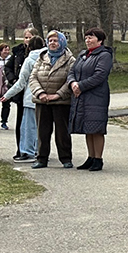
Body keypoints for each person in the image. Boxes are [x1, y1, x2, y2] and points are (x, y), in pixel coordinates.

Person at [67, 27, 113, 172]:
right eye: (86, 38)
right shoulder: (83, 55)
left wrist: (81, 85)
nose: (88, 40)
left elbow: (100, 75)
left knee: (96, 128)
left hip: (96, 97)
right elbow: (72, 71)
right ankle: (91, 157)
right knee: (88, 128)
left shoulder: (104, 55)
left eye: (91, 37)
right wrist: (73, 83)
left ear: (99, 40)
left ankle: (98, 159)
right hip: (81, 97)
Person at [28, 31, 76, 169]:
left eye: (55, 40)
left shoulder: (70, 60)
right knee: (42, 132)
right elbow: (33, 77)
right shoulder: (41, 57)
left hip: (61, 102)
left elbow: (71, 80)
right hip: (42, 101)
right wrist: (41, 93)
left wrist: (58, 95)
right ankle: (41, 158)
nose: (52, 43)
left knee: (62, 132)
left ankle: (66, 158)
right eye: (50, 41)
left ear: (62, 42)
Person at [1, 35, 45, 162]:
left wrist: (7, 95)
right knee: (40, 126)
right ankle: (38, 150)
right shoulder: (48, 57)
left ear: (29, 47)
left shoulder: (30, 59)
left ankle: (28, 152)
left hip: (30, 98)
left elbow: (21, 82)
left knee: (28, 128)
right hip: (45, 96)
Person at [0, 43, 10, 130]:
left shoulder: (11, 59)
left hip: (7, 84)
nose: (7, 52)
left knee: (6, 104)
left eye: (8, 50)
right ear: (0, 50)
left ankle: (4, 121)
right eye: (5, 50)